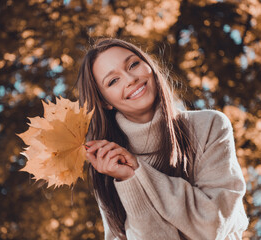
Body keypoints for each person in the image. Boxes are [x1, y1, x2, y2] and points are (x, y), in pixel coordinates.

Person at [76, 38, 248, 240]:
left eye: (133, 64)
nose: (130, 79)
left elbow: (213, 226)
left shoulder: (209, 126)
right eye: (113, 81)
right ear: (105, 102)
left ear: (149, 65)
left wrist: (140, 170)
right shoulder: (108, 167)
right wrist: (128, 180)